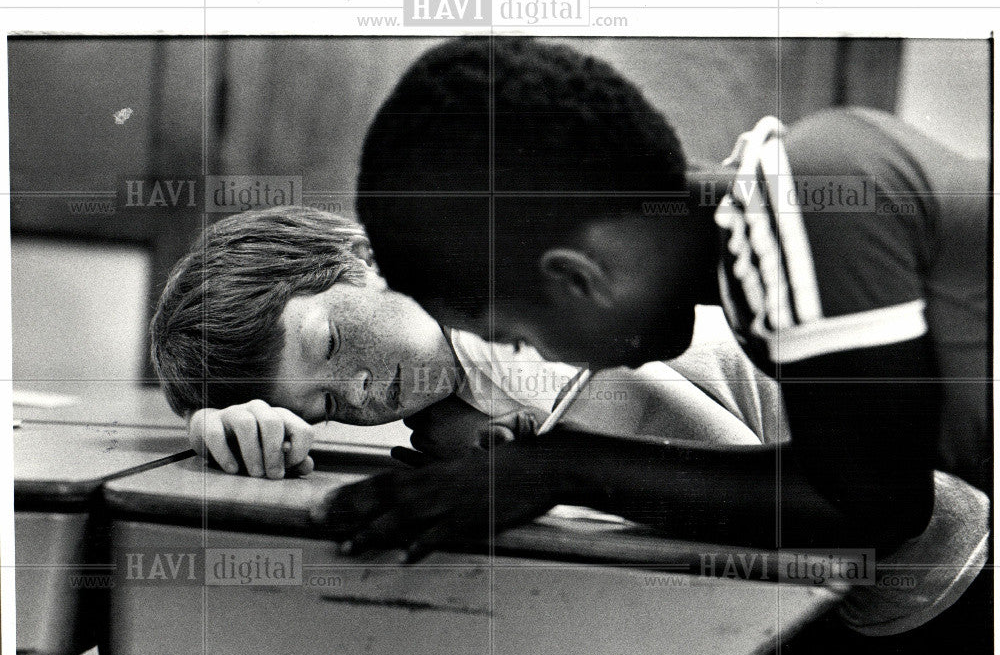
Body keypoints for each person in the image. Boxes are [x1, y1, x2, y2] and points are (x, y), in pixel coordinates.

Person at [335, 37, 991, 655]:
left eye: (520, 337)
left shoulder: (818, 190)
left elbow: (875, 504)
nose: (539, 357)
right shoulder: (763, 252)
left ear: (579, 277)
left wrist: (559, 466)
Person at [151, 206, 785, 481]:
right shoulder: (449, 370)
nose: (361, 392)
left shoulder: (499, 316)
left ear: (362, 258)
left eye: (331, 345)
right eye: (326, 407)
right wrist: (227, 424)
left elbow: (749, 484)